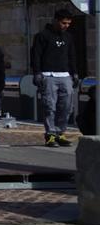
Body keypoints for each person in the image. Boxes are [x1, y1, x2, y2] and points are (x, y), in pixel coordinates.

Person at [31, 8, 78, 147]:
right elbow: (36, 56)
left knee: (67, 106)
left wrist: (74, 73)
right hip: (48, 75)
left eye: (68, 23)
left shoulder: (68, 37)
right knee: (49, 106)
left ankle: (60, 132)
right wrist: (37, 72)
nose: (66, 26)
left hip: (65, 75)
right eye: (64, 23)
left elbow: (72, 56)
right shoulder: (42, 36)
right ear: (56, 20)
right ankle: (50, 134)